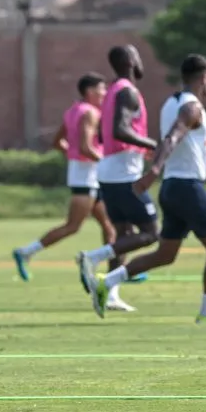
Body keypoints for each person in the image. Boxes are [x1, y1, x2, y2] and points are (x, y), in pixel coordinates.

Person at [83, 54, 206, 324]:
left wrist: (204, 151)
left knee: (165, 254)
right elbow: (172, 137)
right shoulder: (193, 108)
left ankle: (107, 282)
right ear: (205, 78)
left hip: (172, 188)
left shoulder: (171, 103)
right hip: (187, 187)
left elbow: (180, 141)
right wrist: (153, 172)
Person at [76, 45, 158, 312]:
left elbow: (104, 134)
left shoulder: (112, 90)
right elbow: (119, 130)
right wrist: (152, 144)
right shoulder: (127, 91)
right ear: (132, 61)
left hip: (110, 171)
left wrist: (137, 150)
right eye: (138, 55)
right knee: (150, 233)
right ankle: (91, 257)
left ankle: (110, 293)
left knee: (123, 234)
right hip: (125, 174)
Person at [12, 73, 116, 280]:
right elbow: (86, 147)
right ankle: (26, 252)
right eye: (102, 89)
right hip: (86, 178)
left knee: (109, 225)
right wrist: (106, 163)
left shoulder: (73, 111)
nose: (105, 94)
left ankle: (116, 271)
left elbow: (58, 142)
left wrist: (73, 156)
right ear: (90, 91)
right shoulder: (90, 113)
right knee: (72, 226)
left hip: (85, 175)